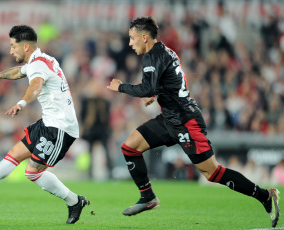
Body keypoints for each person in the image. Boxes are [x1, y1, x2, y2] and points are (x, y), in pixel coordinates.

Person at [107, 16, 280, 228]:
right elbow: (166, 81)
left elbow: (148, 88)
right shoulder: (164, 51)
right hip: (170, 118)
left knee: (213, 173)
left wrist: (121, 86)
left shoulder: (153, 56)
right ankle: (148, 197)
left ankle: (265, 196)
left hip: (186, 121)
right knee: (130, 147)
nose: (130, 43)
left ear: (144, 37)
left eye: (132, 38)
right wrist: (156, 92)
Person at [0, 25, 89, 224]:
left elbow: (36, 86)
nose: (10, 50)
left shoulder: (38, 65)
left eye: (13, 46)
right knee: (14, 154)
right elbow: (18, 72)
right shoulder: (40, 60)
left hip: (60, 128)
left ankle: (74, 201)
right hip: (49, 123)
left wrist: (21, 103)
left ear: (26, 47)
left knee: (32, 173)